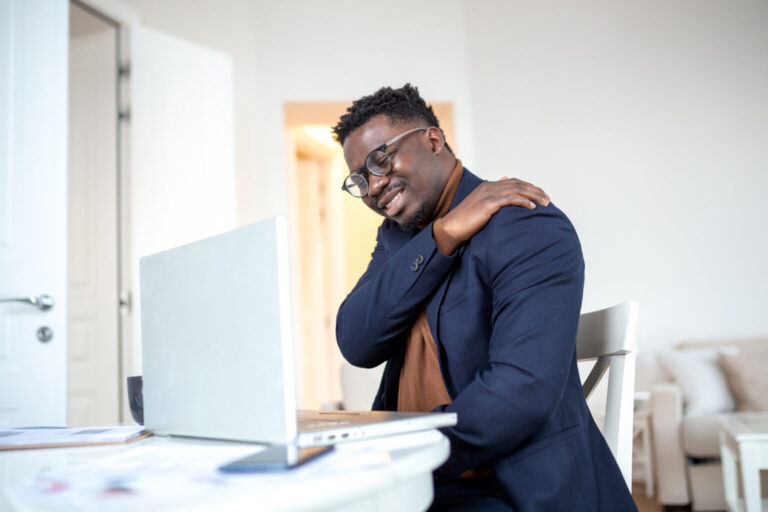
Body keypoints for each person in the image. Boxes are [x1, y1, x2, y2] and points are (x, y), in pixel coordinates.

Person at [333, 84, 637, 511]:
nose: (373, 187)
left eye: (380, 160)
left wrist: (406, 452)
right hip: (417, 487)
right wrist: (442, 235)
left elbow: (520, 392)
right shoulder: (398, 239)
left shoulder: (525, 224)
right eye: (360, 179)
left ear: (433, 140)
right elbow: (356, 341)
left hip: (509, 491)